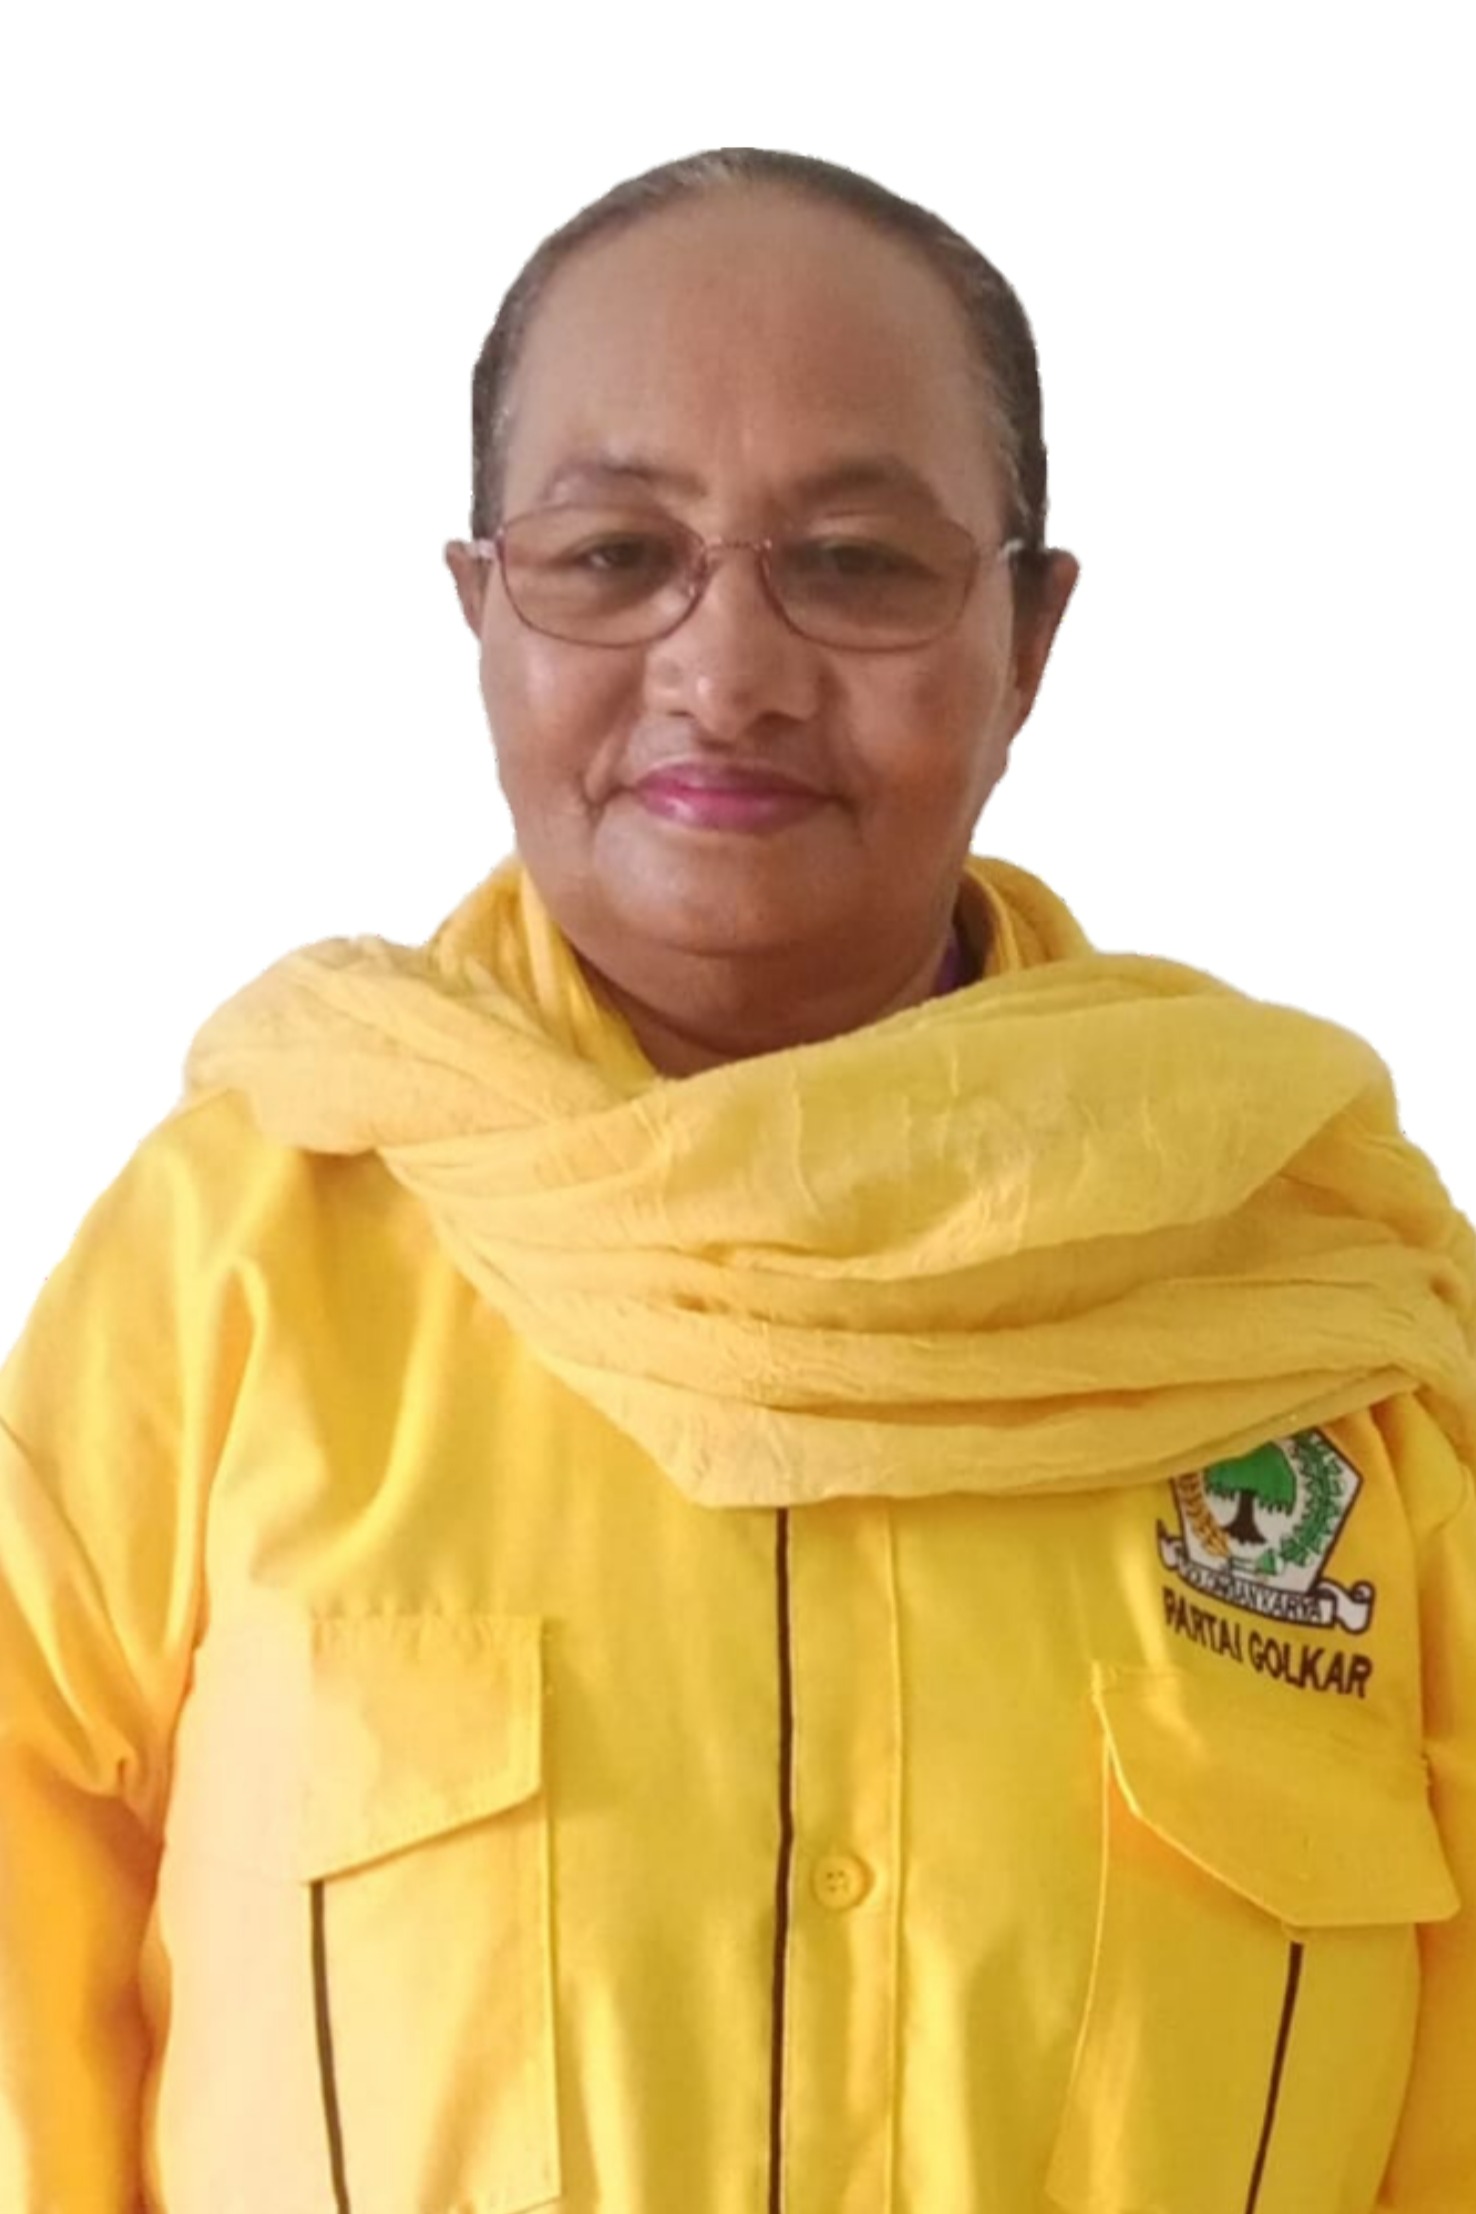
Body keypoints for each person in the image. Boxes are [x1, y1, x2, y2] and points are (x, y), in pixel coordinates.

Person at [1, 146, 1473, 2214]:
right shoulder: (226, 1274)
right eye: (615, 555)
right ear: (482, 611)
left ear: (1030, 636)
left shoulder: (1314, 1299)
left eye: (857, 563)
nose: (728, 671)